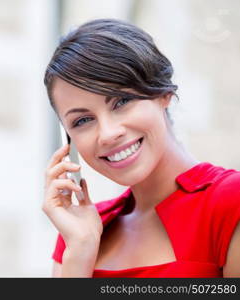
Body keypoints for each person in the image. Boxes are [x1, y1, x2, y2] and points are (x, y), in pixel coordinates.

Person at [42, 19, 240, 278]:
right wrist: (80, 252)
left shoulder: (230, 203)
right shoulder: (80, 230)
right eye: (83, 120)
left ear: (163, 93)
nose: (108, 134)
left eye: (122, 101)